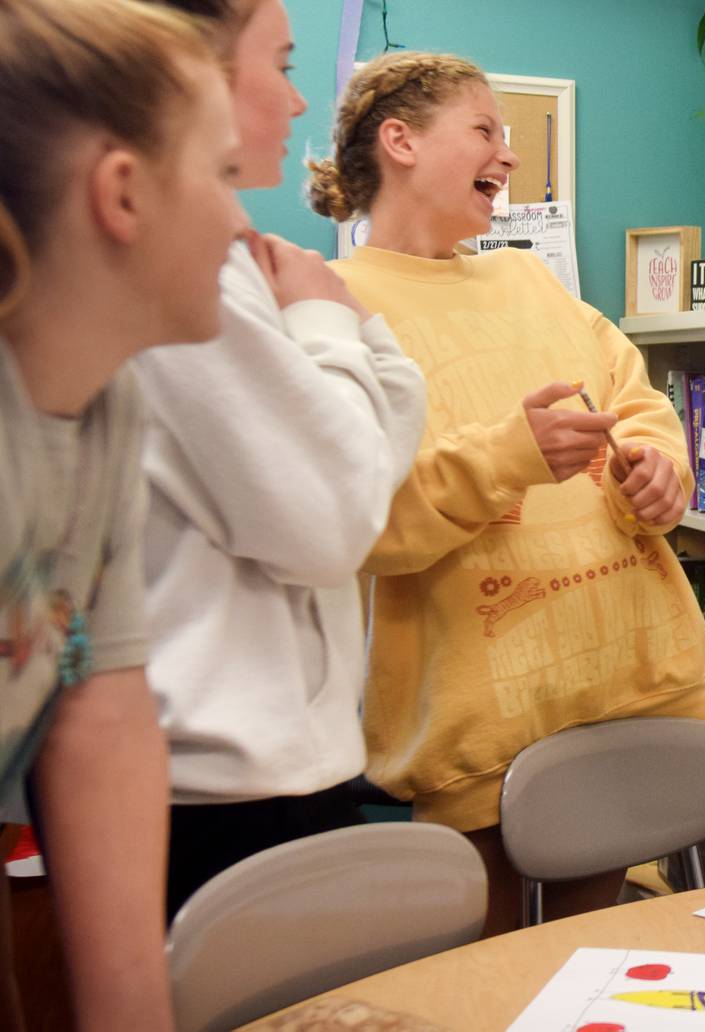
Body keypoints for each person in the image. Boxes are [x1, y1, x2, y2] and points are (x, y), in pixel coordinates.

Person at [307, 51, 705, 934]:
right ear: (401, 141)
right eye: (485, 131)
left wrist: (655, 470)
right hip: (479, 716)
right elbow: (360, 522)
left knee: (591, 954)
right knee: (488, 971)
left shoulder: (524, 278)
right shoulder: (335, 304)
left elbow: (636, 401)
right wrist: (509, 455)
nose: (507, 156)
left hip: (624, 683)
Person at [133, 0, 428, 920]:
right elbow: (334, 517)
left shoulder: (233, 259)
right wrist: (326, 320)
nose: (301, 105)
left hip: (261, 762)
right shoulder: (191, 257)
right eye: (285, 64)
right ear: (197, 73)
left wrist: (335, 327)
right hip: (218, 779)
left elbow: (374, 451)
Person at [0, 0, 246, 1025]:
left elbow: (100, 719)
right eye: (224, 174)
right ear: (122, 191)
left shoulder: (102, 401)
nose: (242, 219)